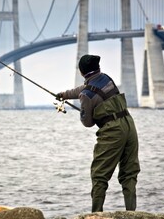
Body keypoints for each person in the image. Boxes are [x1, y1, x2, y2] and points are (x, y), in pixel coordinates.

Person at [56, 54, 140, 212]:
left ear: (81, 72)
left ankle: (96, 214)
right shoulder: (106, 79)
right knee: (129, 173)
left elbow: (88, 123)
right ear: (97, 68)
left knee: (99, 175)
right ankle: (132, 213)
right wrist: (65, 95)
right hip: (129, 125)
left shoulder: (86, 96)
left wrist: (85, 109)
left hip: (112, 132)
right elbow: (85, 89)